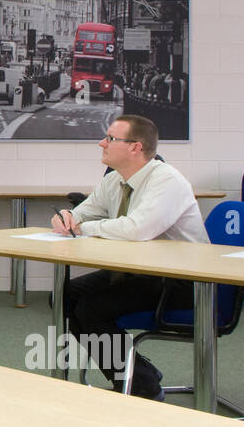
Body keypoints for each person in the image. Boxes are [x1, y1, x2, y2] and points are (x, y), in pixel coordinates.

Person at [51, 115, 209, 399]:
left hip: (185, 280)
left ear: (135, 148)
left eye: (110, 138)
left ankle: (141, 385)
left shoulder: (167, 180)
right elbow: (84, 212)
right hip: (141, 273)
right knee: (68, 294)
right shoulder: (115, 180)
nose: (102, 143)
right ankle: (139, 374)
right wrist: (66, 217)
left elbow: (138, 229)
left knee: (92, 308)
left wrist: (82, 228)